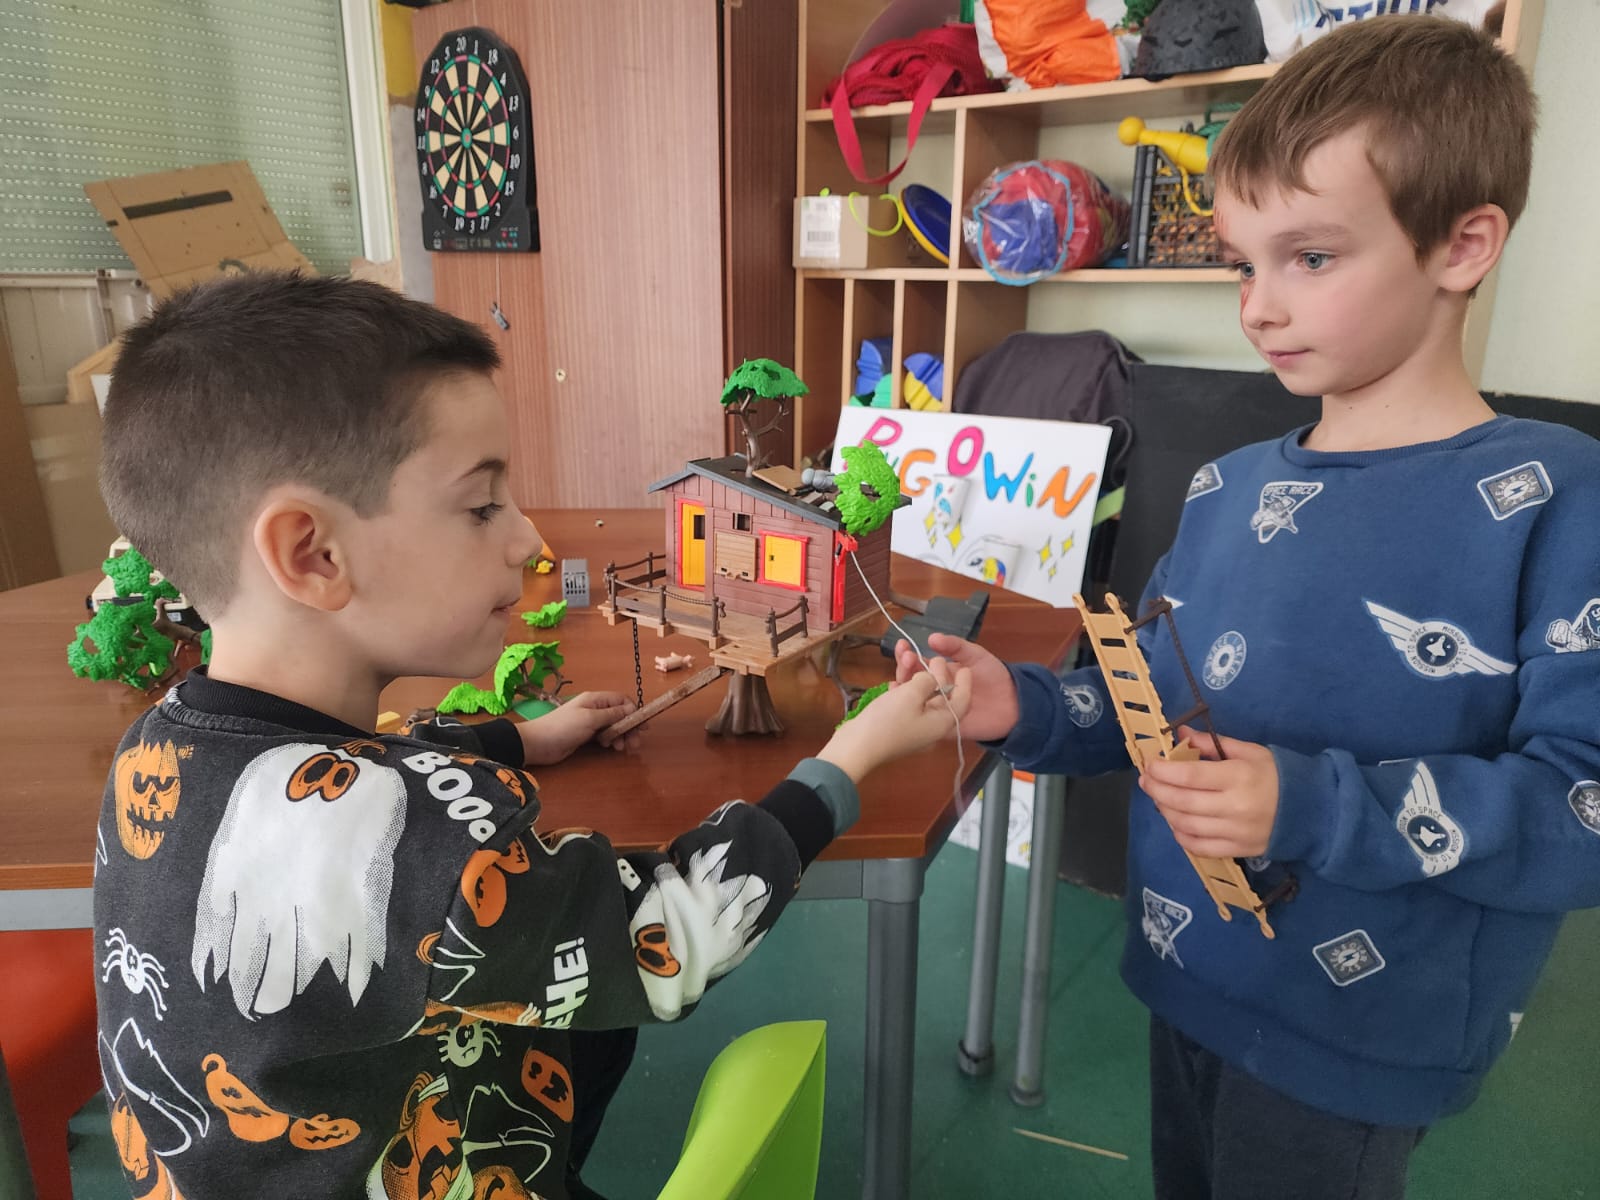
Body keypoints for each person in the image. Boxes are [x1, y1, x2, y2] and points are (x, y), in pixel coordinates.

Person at [898, 15, 1600, 1199]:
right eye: (1241, 263)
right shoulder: (1228, 488)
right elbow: (1149, 705)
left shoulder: (1556, 496)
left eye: (1309, 258)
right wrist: (1019, 705)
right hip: (1188, 972)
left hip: (1363, 1034)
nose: (1259, 308)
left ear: (1462, 244)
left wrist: (1308, 805)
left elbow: (1580, 806)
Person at [92, 270, 970, 1200]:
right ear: (313, 553)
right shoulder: (434, 851)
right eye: (481, 506)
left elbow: (354, 769)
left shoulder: (155, 752)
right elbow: (671, 934)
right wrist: (847, 760)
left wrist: (515, 741)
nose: (528, 539)